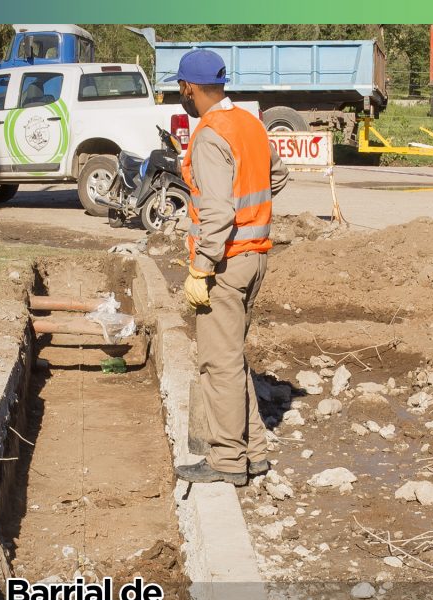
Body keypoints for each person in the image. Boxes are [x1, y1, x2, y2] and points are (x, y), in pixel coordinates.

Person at [167, 50, 289, 486]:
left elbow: (217, 212)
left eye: (180, 87)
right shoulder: (250, 124)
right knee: (233, 362)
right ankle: (253, 454)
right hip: (255, 258)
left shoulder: (209, 135)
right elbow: (277, 176)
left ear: (188, 88)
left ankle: (226, 462)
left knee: (218, 366)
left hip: (227, 262)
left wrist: (201, 268)